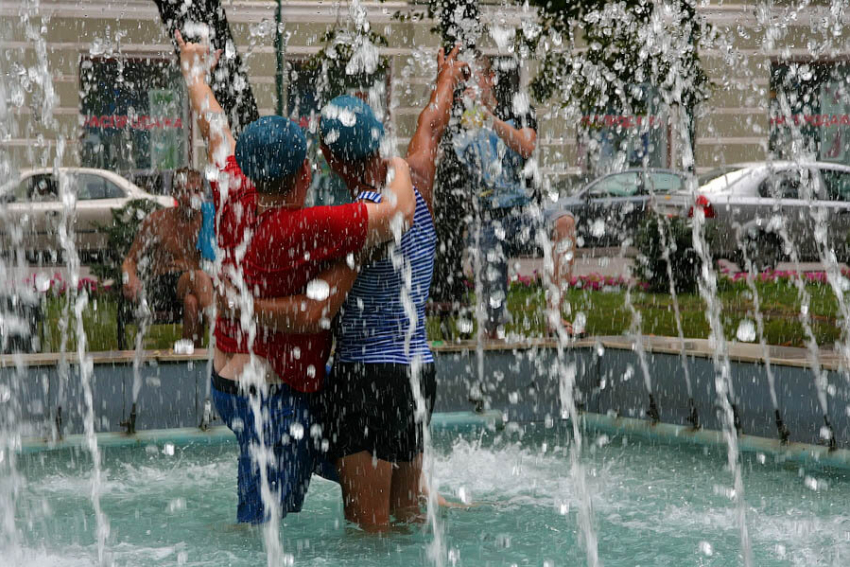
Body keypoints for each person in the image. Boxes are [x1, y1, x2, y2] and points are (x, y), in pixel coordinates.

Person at [176, 31, 417, 525]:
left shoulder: (233, 187)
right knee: (262, 527)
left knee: (352, 443)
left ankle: (407, 493)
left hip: (233, 379)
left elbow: (212, 123)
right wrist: (398, 164)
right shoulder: (301, 226)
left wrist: (194, 71)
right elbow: (397, 215)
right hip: (273, 395)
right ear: (306, 174)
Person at [249, 46, 469, 531]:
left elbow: (318, 309)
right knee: (409, 518)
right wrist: (448, 75)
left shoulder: (358, 225)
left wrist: (247, 308)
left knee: (368, 532)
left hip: (367, 379)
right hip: (417, 372)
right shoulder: (416, 183)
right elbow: (431, 127)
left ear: (327, 158)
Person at [436, 54, 577, 338]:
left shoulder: (518, 108)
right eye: (462, 79)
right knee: (491, 326)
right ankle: (491, 330)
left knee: (563, 222)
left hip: (527, 211)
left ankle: (554, 317)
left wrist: (489, 120)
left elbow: (526, 146)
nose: (468, 85)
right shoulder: (459, 119)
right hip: (487, 221)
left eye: (472, 77)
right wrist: (442, 87)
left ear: (490, 79)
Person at [121, 167, 214, 347]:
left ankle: (191, 359)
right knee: (199, 277)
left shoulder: (208, 220)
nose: (192, 197)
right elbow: (130, 260)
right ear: (175, 194)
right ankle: (222, 341)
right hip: (163, 286)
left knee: (192, 303)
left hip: (195, 287)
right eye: (186, 191)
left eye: (196, 191)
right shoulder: (158, 221)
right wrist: (129, 277)